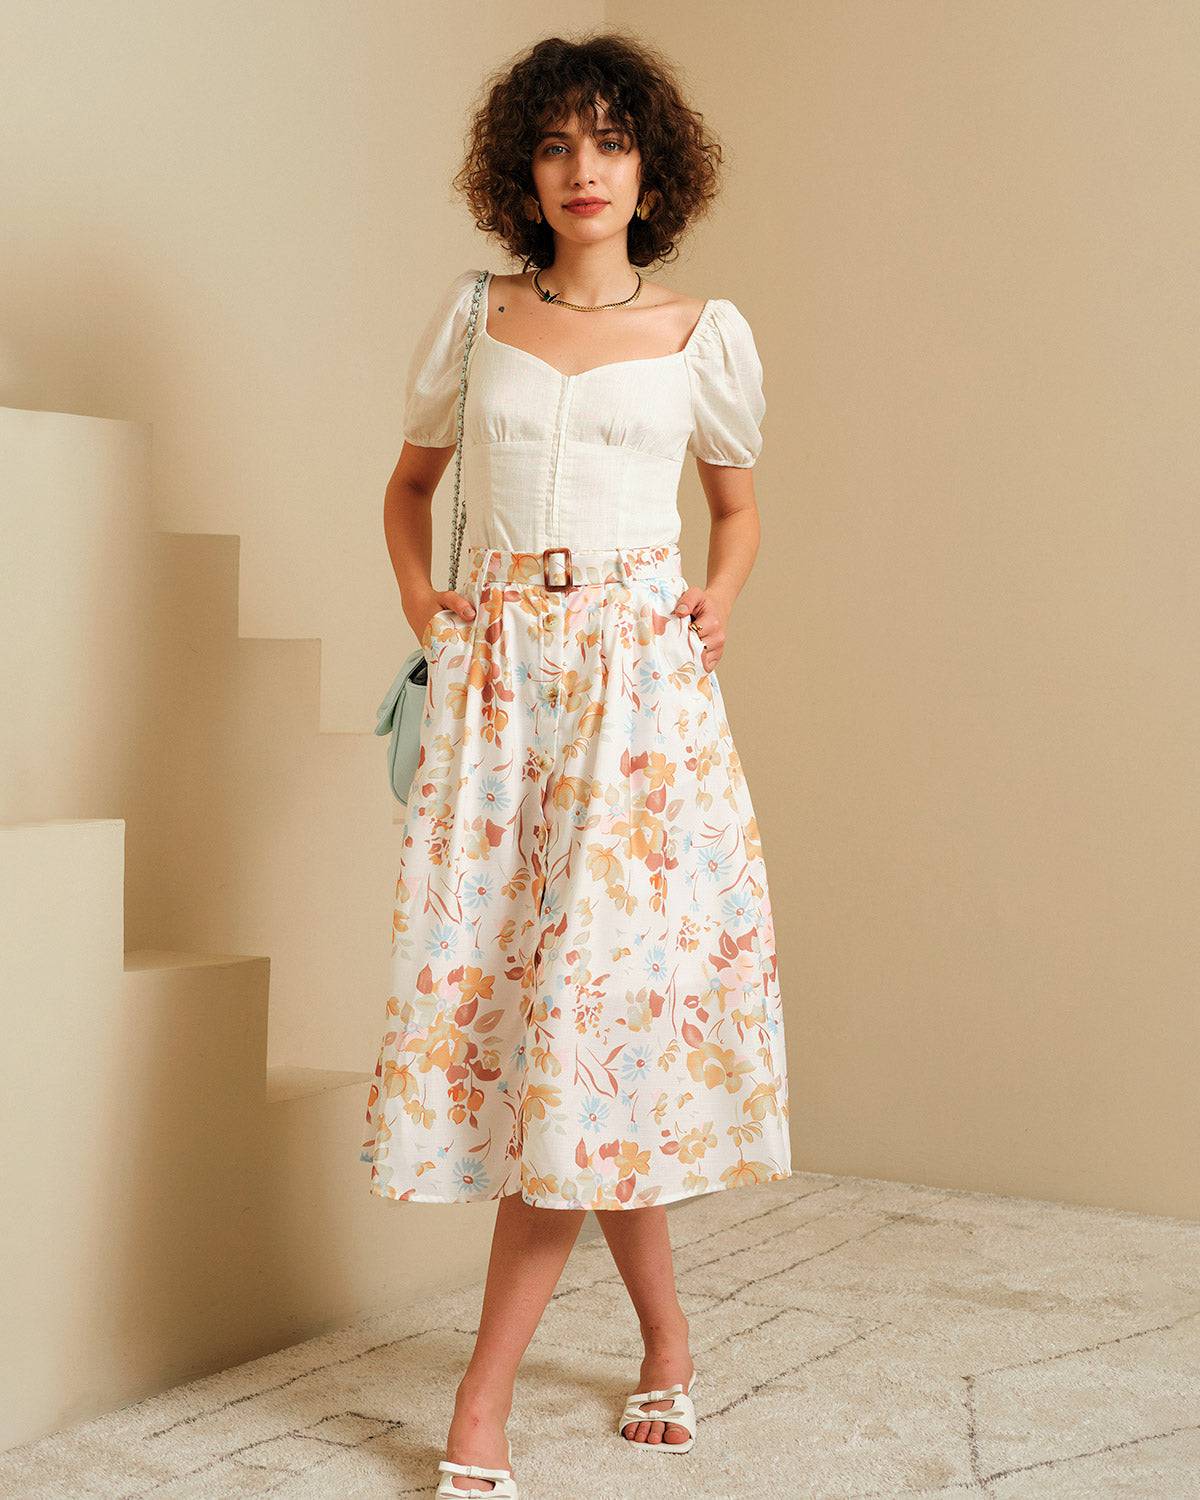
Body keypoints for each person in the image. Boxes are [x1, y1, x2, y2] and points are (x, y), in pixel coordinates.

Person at [359, 32, 792, 1498]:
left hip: (638, 707)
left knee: (582, 1029)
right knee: (556, 1043)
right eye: (555, 144)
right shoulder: (475, 318)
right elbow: (409, 491)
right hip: (499, 703)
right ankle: (667, 1340)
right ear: (523, 172)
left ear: (652, 170)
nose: (583, 168)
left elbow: (735, 510)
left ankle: (479, 1405)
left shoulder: (700, 333)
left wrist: (718, 597)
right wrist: (425, 604)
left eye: (609, 141)